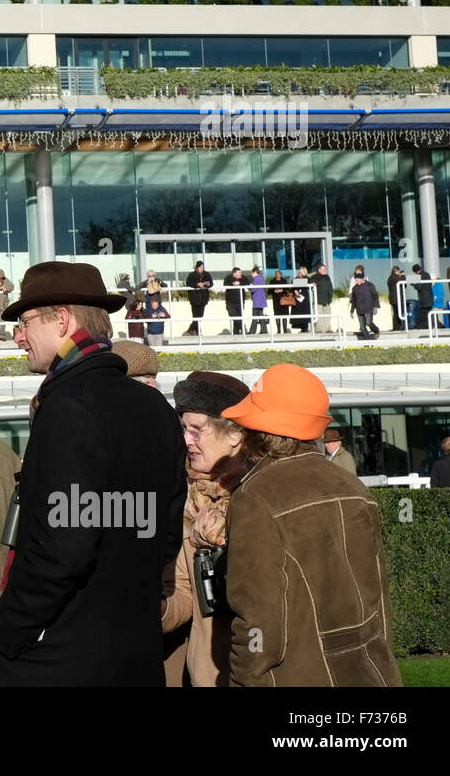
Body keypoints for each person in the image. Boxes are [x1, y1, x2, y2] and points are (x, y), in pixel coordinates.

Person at [0, 261, 186, 686]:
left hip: (61, 659)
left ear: (63, 320)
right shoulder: (156, 409)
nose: (18, 336)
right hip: (137, 652)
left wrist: (8, 633)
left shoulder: (69, 408)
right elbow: (165, 536)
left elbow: (62, 550)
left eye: (25, 322)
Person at [221, 364, 402, 687]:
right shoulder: (354, 488)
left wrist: (242, 680)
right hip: (371, 676)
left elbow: (258, 625)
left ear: (257, 429)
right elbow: (381, 609)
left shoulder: (255, 498)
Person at [160, 371, 251, 687]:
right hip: (208, 678)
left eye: (197, 430)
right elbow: (185, 593)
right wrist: (154, 605)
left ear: (235, 435)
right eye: (184, 429)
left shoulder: (264, 494)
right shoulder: (185, 497)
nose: (186, 440)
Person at [350, 269, 381, 339]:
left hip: (369, 307)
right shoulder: (354, 288)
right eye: (355, 280)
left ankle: (376, 330)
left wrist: (375, 307)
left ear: (362, 279)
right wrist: (352, 311)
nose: (356, 281)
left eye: (357, 279)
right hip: (359, 309)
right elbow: (353, 301)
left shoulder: (370, 285)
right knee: (362, 327)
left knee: (368, 322)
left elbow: (375, 295)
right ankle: (368, 340)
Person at [184, 261, 213, 337]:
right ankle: (197, 332)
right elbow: (188, 283)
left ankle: (191, 329)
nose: (202, 269)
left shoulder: (207, 274)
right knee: (195, 316)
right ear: (197, 268)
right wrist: (197, 284)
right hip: (194, 299)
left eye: (202, 267)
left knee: (200, 315)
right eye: (200, 267)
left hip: (203, 298)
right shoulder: (192, 275)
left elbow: (211, 283)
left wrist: (207, 284)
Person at [309, 262, 333, 333]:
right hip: (318, 301)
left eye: (325, 269)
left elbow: (330, 287)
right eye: (323, 269)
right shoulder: (314, 277)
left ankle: (327, 329)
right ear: (319, 269)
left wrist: (330, 297)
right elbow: (310, 281)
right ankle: (319, 330)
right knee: (318, 316)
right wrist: (312, 283)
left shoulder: (327, 277)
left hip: (327, 301)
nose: (324, 270)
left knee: (327, 316)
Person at [223, 267, 247, 336]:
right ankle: (242, 328)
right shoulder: (228, 277)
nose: (241, 274)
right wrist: (233, 284)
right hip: (230, 301)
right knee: (233, 314)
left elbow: (247, 282)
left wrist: (239, 282)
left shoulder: (242, 277)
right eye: (239, 273)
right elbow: (225, 285)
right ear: (234, 273)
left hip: (240, 301)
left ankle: (236, 333)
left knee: (239, 316)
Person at [247, 267, 269, 334]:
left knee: (255, 316)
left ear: (255, 272)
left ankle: (252, 331)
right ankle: (264, 330)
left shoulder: (256, 279)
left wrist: (249, 287)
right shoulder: (261, 279)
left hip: (257, 300)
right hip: (261, 300)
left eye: (252, 273)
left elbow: (253, 289)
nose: (251, 274)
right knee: (261, 316)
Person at [386, 265, 406, 330]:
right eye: (398, 271)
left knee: (396, 313)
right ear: (396, 271)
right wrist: (403, 275)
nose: (399, 272)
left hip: (394, 299)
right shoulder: (395, 278)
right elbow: (403, 283)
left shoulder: (390, 278)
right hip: (397, 299)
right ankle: (398, 327)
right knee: (398, 313)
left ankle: (396, 327)